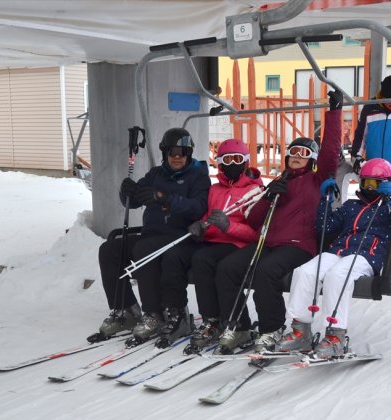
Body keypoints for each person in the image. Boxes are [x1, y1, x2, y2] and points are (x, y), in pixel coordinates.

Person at [214, 90, 343, 354]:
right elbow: (255, 218)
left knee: (267, 271)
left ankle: (271, 328)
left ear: (312, 160)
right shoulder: (278, 182)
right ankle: (239, 327)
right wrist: (268, 196)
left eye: (304, 152)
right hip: (270, 242)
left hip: (300, 245)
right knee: (227, 268)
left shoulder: (317, 180)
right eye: (293, 151)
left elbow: (331, 151)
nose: (297, 155)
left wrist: (334, 113)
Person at [278, 159, 391, 359]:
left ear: (387, 184)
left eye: (375, 183)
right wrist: (325, 201)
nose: (369, 188)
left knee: (337, 276)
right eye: (365, 183)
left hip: (366, 255)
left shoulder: (390, 207)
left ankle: (335, 336)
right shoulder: (351, 206)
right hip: (338, 251)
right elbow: (324, 228)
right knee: (305, 272)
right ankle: (300, 330)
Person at [92, 128, 210, 346]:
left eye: (182, 152)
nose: (177, 156)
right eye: (172, 152)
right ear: (165, 152)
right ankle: (125, 309)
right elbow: (135, 200)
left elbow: (198, 207)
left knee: (144, 248)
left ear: (189, 153)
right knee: (110, 249)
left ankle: (154, 313)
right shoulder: (156, 174)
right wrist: (127, 191)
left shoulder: (199, 176)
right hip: (152, 234)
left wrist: (166, 199)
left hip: (181, 237)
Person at [163, 138, 264, 352]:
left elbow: (256, 232)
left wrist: (229, 227)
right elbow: (208, 218)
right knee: (178, 255)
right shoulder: (215, 189)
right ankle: (196, 316)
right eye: (227, 160)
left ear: (245, 162)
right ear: (219, 163)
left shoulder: (255, 191)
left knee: (204, 259)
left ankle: (223, 321)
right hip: (213, 241)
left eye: (237, 159)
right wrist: (200, 227)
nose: (232, 164)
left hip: (236, 243)